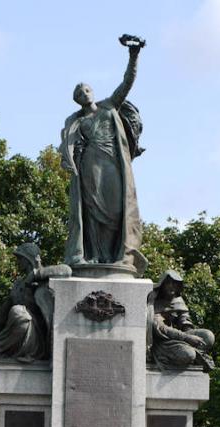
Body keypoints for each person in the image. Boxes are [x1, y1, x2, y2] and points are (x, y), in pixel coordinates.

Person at [59, 36, 147, 276]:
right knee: (92, 211)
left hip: (112, 163)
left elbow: (127, 82)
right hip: (90, 164)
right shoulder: (77, 121)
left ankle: (117, 254)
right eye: (79, 93)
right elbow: (68, 145)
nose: (84, 94)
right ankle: (95, 255)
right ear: (76, 100)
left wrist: (133, 56)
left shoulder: (109, 106)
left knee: (117, 210)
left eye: (86, 89)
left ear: (92, 91)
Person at [0, 243, 71, 363]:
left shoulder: (45, 277)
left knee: (18, 312)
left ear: (29, 258)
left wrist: (35, 274)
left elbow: (67, 270)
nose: (18, 262)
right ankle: (13, 349)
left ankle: (31, 351)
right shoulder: (18, 284)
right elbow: (2, 315)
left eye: (20, 258)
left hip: (39, 332)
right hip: (15, 332)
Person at [147, 271, 215, 372]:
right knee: (189, 354)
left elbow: (184, 320)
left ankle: (195, 353)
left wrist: (188, 329)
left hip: (180, 336)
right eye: (169, 283)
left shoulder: (178, 301)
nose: (172, 286)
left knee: (208, 336)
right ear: (162, 284)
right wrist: (187, 338)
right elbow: (160, 328)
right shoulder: (154, 302)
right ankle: (192, 355)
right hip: (163, 342)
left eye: (175, 283)